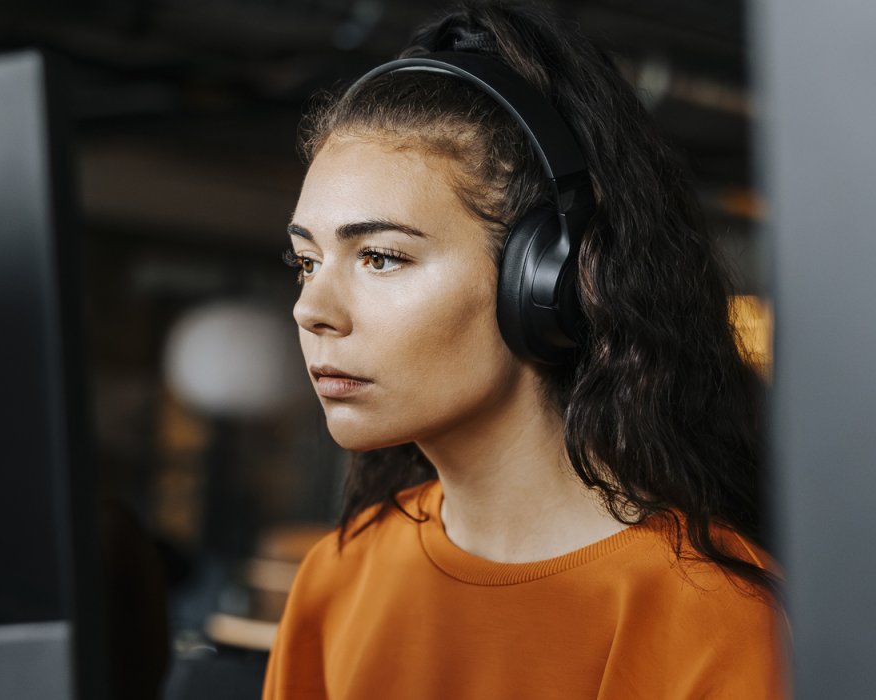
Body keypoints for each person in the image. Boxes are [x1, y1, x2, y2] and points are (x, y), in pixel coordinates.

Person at [264, 0, 784, 697]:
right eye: (307, 262)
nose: (311, 310)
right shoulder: (338, 576)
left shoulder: (716, 613)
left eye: (381, 257)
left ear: (547, 279)